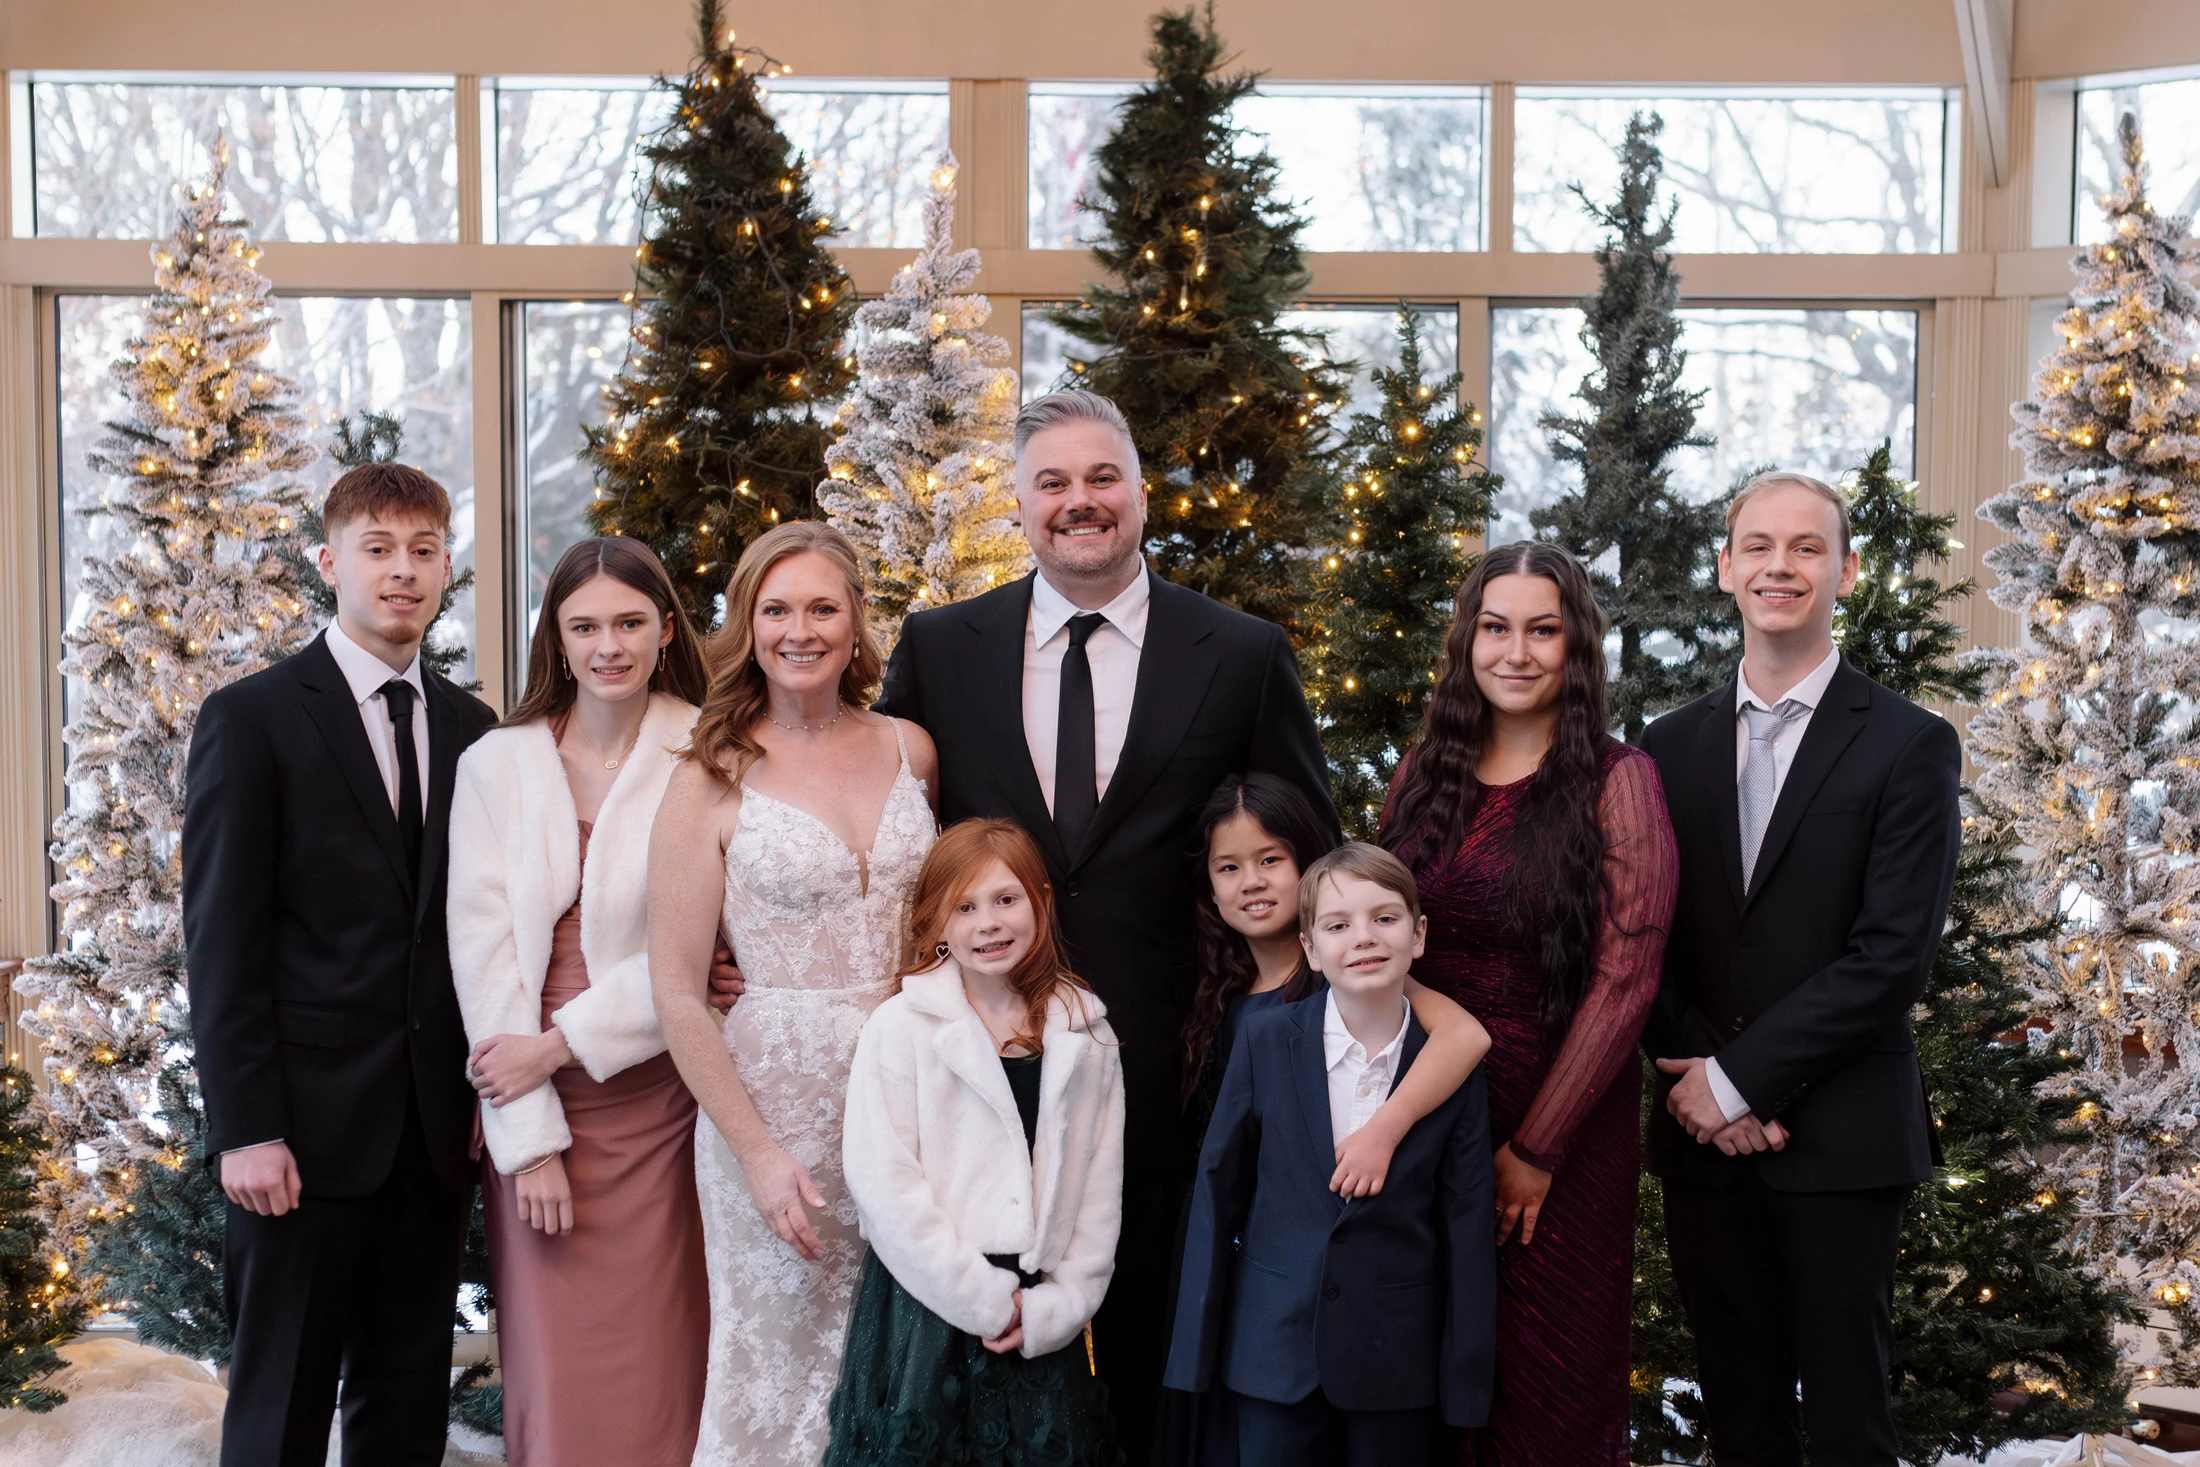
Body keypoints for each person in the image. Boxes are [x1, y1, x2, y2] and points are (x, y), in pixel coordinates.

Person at [864, 389, 1337, 1446]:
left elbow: (1305, 846)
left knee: (1158, 1339)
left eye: (1100, 477)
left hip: (1177, 1057)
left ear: (1138, 490)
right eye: (1053, 483)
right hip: (988, 1067)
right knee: (979, 1356)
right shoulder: (943, 648)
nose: (1080, 502)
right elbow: (891, 845)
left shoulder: (1241, 651)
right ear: (1020, 505)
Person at [182, 463, 499, 1466]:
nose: (401, 572)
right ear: (330, 563)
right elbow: (222, 941)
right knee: (278, 1406)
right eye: (377, 550)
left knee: (405, 1408)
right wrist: (247, 1130)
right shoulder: (254, 719)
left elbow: (482, 931)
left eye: (421, 552)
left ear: (446, 567)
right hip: (299, 1143)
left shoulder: (473, 733)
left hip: (429, 1136)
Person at [1640, 472, 1960, 1466]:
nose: (1782, 566)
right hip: (1701, 1134)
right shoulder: (1662, 747)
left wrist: (1742, 1084)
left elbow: (1889, 959)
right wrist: (1707, 1088)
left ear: (1846, 571)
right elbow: (1638, 939)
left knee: (1848, 1424)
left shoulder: (1910, 745)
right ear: (1727, 567)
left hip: (1844, 1141)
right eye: (1760, 546)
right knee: (1739, 1422)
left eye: (1808, 548)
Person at [1379, 541, 1678, 1465]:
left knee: (1549, 1384)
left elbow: (1627, 975)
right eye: (1496, 628)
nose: (1516, 651)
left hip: (1561, 1123)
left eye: (1542, 630)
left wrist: (1537, 1148)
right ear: (1468, 641)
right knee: (1423, 1372)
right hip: (1429, 1110)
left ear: (1575, 646)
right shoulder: (1424, 771)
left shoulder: (1619, 781)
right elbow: (1380, 936)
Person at [649, 521, 940, 1467]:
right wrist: (759, 1154)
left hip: (912, 1094)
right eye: (776, 609)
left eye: (823, 606)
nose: (799, 629)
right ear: (746, 625)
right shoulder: (708, 776)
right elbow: (678, 992)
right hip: (774, 1110)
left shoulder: (913, 748)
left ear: (857, 622)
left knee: (905, 1362)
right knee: (778, 1371)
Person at [445, 537, 712, 1466]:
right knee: (556, 1366)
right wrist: (528, 1137)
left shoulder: (710, 752)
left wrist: (560, 1045)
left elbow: (702, 952)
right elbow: (484, 962)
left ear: (666, 628)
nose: (610, 644)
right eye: (585, 625)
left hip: (666, 1090)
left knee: (668, 1353)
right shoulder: (496, 763)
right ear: (556, 641)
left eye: (631, 622)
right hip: (529, 1095)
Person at [1160, 773, 1490, 1465]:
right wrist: (1193, 1354)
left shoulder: (1413, 1023)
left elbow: (1465, 1221)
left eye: (1270, 859)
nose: (1361, 938)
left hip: (1391, 1360)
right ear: (1315, 942)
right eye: (1229, 866)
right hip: (1268, 1347)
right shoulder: (1239, 1011)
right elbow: (1218, 1190)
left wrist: (1465, 1388)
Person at [826, 819, 1125, 1467]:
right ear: (935, 922)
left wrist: (1060, 1304)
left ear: (1041, 902)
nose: (987, 922)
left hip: (1038, 1312)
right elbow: (883, 1183)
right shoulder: (900, 1028)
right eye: (964, 906)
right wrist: (982, 1300)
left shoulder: (1088, 1033)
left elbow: (1100, 1190)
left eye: (1005, 899)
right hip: (931, 1308)